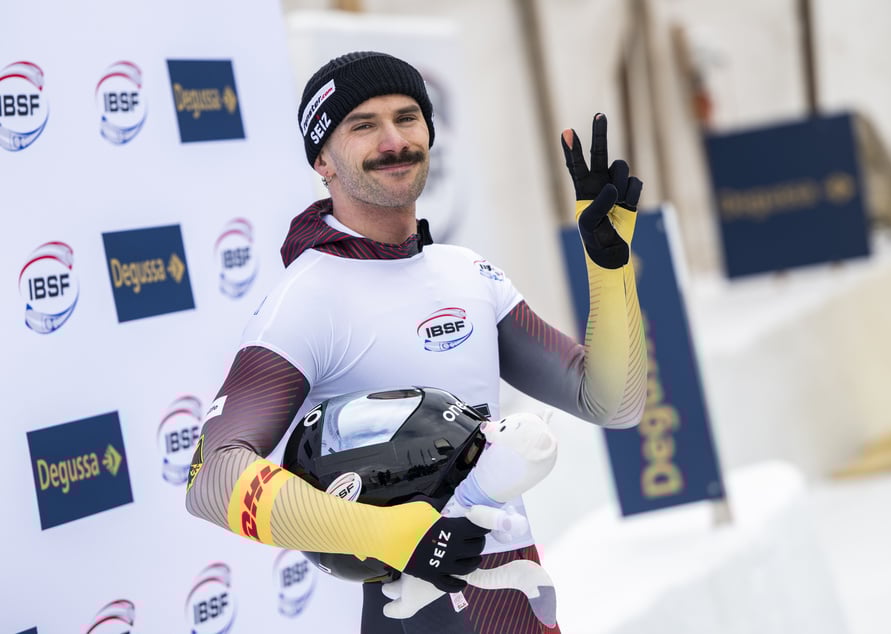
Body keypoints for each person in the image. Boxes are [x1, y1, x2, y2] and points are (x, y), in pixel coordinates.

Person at [185, 50, 647, 633]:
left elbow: (613, 402)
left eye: (407, 117)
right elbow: (211, 478)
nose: (393, 140)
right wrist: (393, 537)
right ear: (322, 159)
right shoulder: (306, 296)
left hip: (516, 596)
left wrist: (609, 268)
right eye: (362, 125)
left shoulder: (468, 272)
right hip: (409, 612)